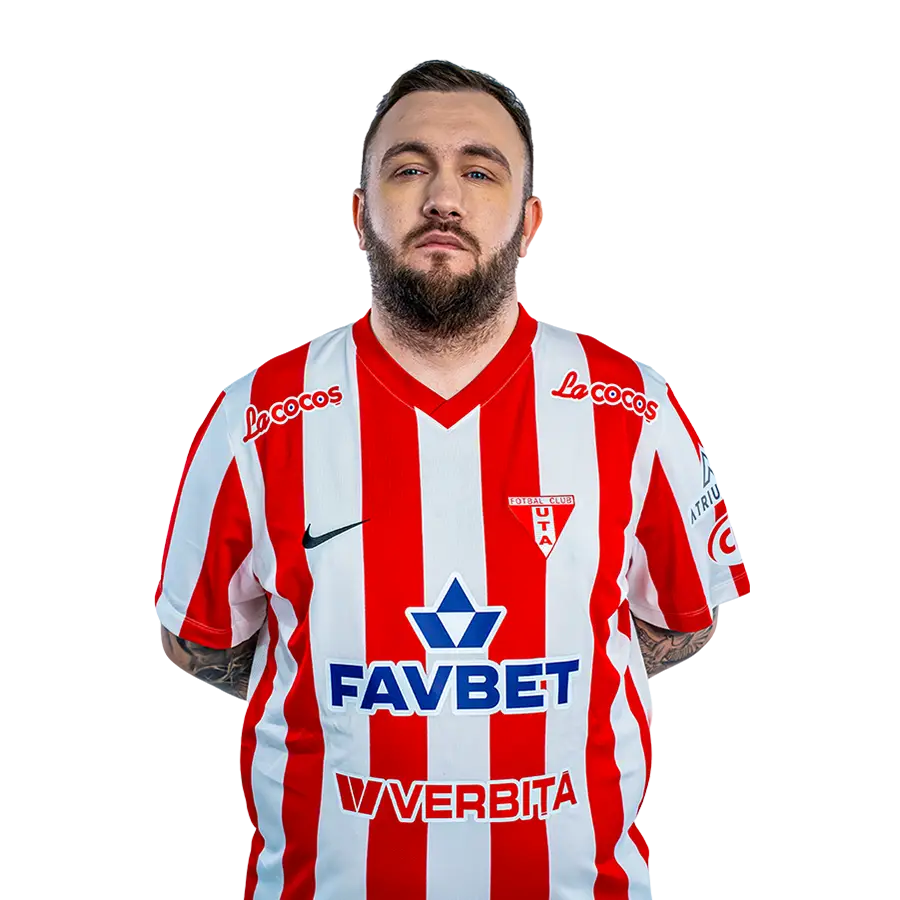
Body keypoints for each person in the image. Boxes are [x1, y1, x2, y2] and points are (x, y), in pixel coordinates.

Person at [154, 61, 750, 900]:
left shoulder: (631, 406)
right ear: (359, 218)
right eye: (409, 169)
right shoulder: (257, 416)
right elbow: (202, 639)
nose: (443, 198)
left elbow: (681, 623)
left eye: (479, 171)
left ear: (527, 221)